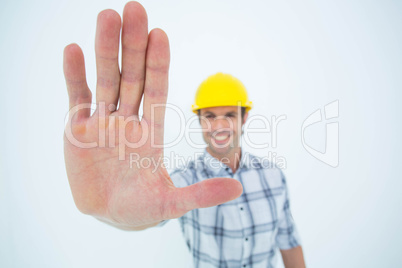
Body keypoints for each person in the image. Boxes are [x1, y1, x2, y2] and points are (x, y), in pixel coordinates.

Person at [62, 1, 306, 267]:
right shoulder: (185, 179)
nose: (220, 126)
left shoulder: (273, 175)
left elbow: (289, 242)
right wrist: (107, 209)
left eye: (230, 115)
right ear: (200, 121)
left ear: (244, 117)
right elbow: (151, 210)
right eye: (210, 116)